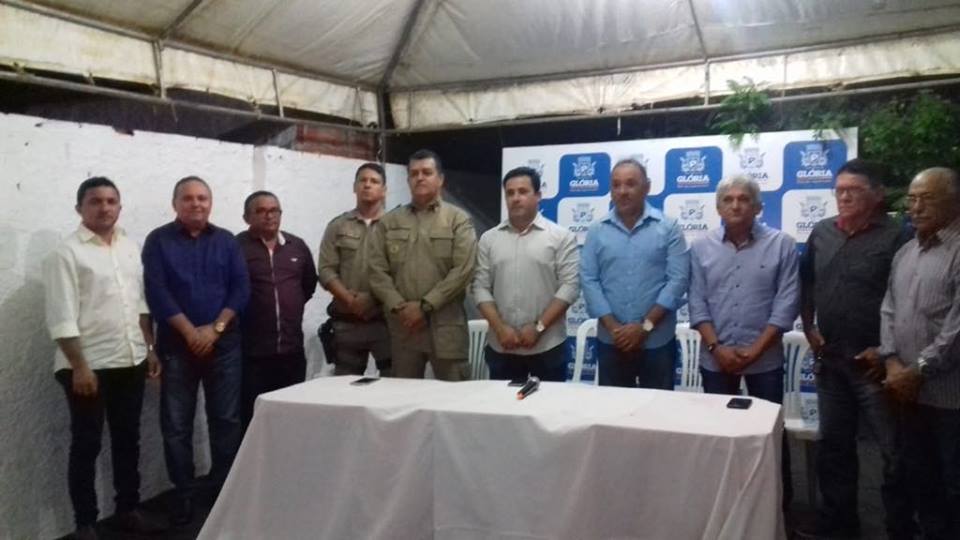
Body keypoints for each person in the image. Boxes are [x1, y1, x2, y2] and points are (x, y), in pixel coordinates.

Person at [798, 159, 914, 539]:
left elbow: (907, 301)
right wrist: (809, 327)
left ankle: (900, 528)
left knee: (893, 452)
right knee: (834, 448)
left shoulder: (898, 237)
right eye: (840, 190)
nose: (844, 196)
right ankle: (839, 526)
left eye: (854, 190)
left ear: (877, 195)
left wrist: (885, 350)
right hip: (831, 363)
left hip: (875, 366)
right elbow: (806, 284)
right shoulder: (821, 232)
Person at [43, 177, 163, 540]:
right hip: (87, 366)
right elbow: (61, 315)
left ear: (119, 207)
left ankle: (128, 509)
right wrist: (79, 366)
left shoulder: (128, 246)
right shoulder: (66, 254)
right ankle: (85, 524)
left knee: (128, 439)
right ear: (79, 208)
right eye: (95, 201)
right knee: (87, 444)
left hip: (130, 358)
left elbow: (139, 305)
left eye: (111, 201)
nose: (105, 207)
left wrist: (149, 349)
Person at [142, 176, 249, 526]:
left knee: (226, 420)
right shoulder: (158, 241)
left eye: (203, 198)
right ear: (175, 204)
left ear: (210, 203)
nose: (196, 203)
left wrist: (215, 330)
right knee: (176, 425)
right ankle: (184, 494)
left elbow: (241, 288)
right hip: (177, 346)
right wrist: (190, 332)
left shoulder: (226, 241)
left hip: (224, 345)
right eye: (188, 198)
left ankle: (223, 492)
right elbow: (156, 292)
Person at [689, 175, 800, 508]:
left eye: (743, 199)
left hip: (764, 360)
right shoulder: (701, 247)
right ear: (718, 207)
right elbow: (697, 302)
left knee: (769, 436)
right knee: (719, 436)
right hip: (716, 358)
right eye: (728, 199)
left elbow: (787, 303)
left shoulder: (782, 244)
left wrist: (755, 350)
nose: (735, 205)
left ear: (758, 207)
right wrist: (715, 348)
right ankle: (722, 505)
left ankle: (778, 509)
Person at [879, 167, 960, 540]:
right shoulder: (906, 252)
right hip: (906, 393)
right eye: (911, 199)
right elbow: (889, 310)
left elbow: (956, 331)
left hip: (949, 398)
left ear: (954, 201)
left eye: (926, 198)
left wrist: (917, 370)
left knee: (953, 485)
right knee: (920, 479)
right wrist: (892, 362)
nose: (916, 207)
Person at [367, 149, 477, 380]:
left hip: (446, 328)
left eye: (427, 172)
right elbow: (376, 271)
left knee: (454, 396)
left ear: (440, 179)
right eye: (414, 173)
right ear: (408, 180)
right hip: (404, 327)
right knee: (403, 396)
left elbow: (463, 270)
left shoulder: (458, 219)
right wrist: (399, 307)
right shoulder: (390, 222)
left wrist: (425, 306)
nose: (420, 178)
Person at [580, 158, 690, 389]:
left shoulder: (668, 228)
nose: (622, 191)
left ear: (647, 187)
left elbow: (678, 279)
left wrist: (645, 327)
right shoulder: (596, 231)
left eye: (630, 184)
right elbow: (589, 279)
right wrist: (614, 329)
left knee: (658, 408)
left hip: (657, 341)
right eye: (616, 185)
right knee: (613, 408)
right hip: (611, 341)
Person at [473, 166, 579, 381]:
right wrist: (500, 329)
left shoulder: (561, 237)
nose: (516, 198)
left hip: (548, 347)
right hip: (502, 346)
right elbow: (480, 287)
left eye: (523, 191)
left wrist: (539, 328)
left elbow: (570, 287)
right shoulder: (489, 239)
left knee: (549, 403)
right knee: (503, 403)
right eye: (510, 193)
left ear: (538, 195)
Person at [237, 191, 316, 429]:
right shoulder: (236, 247)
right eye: (261, 211)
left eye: (274, 210)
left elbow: (308, 285)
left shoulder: (296, 246)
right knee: (252, 419)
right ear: (247, 217)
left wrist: (288, 305)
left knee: (290, 417)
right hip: (252, 354)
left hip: (291, 351)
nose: (269, 216)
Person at [317, 163, 392, 376]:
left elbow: (402, 271)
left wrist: (373, 299)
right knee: (345, 386)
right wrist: (350, 300)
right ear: (354, 187)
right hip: (347, 322)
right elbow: (326, 270)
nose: (367, 185)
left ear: (384, 190)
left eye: (374, 181)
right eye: (363, 180)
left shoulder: (396, 227)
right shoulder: (338, 226)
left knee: (393, 383)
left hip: (385, 323)